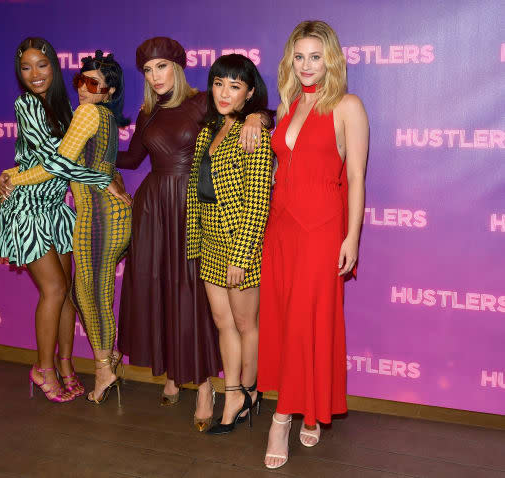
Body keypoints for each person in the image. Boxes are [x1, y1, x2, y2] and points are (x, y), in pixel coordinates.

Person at [116, 37, 271, 432]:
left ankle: (216, 388)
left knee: (205, 308)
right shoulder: (149, 112)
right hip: (164, 214)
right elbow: (132, 158)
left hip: (200, 212)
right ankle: (178, 373)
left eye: (162, 66)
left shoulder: (206, 102)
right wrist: (91, 152)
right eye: (147, 71)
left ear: (179, 67)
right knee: (172, 297)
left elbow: (260, 112)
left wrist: (259, 118)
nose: (156, 76)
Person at [257, 21, 369, 468]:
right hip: (281, 228)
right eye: (299, 57)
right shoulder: (287, 105)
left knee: (309, 321)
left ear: (332, 59)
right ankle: (309, 408)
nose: (307, 65)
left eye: (316, 56)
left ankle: (282, 417)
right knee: (286, 323)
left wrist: (353, 237)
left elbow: (357, 177)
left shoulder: (348, 105)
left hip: (322, 229)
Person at [0, 38, 126, 403]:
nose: (34, 74)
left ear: (54, 67)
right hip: (27, 208)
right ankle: (44, 368)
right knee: (53, 289)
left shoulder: (70, 105)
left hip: (55, 208)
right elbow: (56, 161)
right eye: (26, 68)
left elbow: (66, 157)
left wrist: (11, 168)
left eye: (42, 65)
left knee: (67, 291)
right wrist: (102, 178)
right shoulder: (26, 104)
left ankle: (67, 365)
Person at [186, 54, 272, 435]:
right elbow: (197, 193)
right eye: (219, 83)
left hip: (239, 245)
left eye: (234, 86)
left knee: (244, 323)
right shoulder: (210, 129)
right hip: (209, 243)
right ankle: (232, 392)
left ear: (249, 93)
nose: (224, 92)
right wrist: (195, 245)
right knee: (223, 324)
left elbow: (257, 203)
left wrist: (241, 255)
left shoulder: (253, 132)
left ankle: (249, 391)